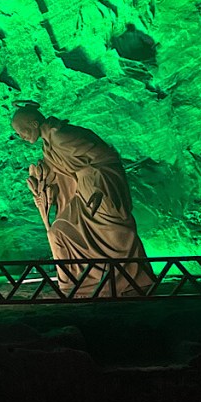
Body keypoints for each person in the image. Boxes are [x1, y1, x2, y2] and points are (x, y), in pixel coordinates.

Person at [11, 103, 154, 297]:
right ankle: (78, 283)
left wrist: (101, 188)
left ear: (34, 124)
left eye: (22, 131)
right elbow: (59, 175)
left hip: (98, 187)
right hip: (82, 190)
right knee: (58, 231)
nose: (21, 137)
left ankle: (130, 279)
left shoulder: (63, 135)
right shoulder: (48, 145)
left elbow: (106, 158)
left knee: (113, 232)